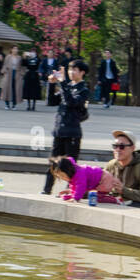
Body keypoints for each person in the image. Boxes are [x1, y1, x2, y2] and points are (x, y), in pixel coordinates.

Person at [42, 59, 90, 195]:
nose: (71, 72)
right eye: (69, 69)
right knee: (53, 163)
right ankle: (46, 190)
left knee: (71, 166)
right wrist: (51, 84)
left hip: (72, 133)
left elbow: (71, 102)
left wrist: (62, 82)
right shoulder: (67, 86)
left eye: (74, 70)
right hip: (59, 131)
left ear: (82, 72)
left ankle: (71, 191)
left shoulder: (83, 90)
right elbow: (51, 101)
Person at [103, 130, 140, 209]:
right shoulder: (111, 165)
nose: (118, 150)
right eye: (115, 146)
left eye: (122, 146)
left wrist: (123, 190)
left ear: (132, 148)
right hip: (119, 205)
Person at [49, 156, 120, 203]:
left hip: (104, 179)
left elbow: (81, 186)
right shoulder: (74, 173)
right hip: (101, 178)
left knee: (97, 197)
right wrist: (71, 194)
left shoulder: (79, 174)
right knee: (92, 196)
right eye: (59, 176)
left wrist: (75, 198)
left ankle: (116, 200)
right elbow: (74, 186)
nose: (62, 178)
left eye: (62, 176)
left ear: (68, 170)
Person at [0, 45, 22, 110]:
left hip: (17, 74)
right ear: (11, 49)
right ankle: (7, 104)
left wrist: (21, 73)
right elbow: (5, 65)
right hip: (8, 73)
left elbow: (21, 67)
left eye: (16, 49)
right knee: (7, 88)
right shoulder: (8, 57)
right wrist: (4, 72)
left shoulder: (19, 57)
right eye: (14, 49)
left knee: (16, 89)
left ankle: (14, 105)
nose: (15, 50)